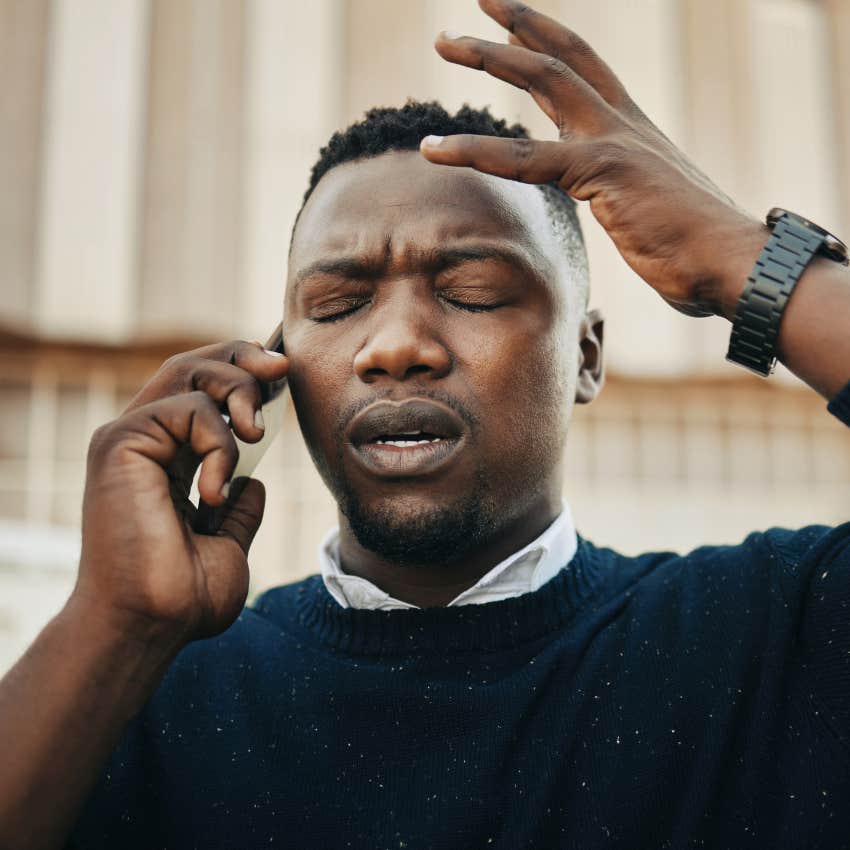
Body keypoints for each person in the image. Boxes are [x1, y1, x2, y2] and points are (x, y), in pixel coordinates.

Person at [2, 0, 850, 847]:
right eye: (338, 305)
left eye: (472, 291)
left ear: (586, 356)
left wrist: (744, 260)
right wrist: (113, 624)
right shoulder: (136, 694)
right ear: (275, 366)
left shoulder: (772, 634)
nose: (396, 346)